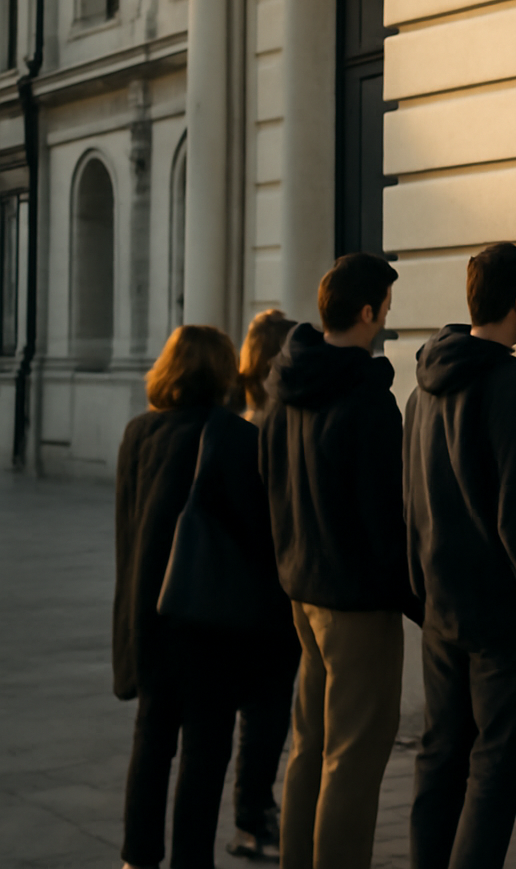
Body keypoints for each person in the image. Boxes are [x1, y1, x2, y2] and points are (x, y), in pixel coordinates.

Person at [259, 253, 421, 869]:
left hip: (303, 590)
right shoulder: (366, 399)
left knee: (311, 745)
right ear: (367, 311)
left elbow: (269, 487)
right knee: (353, 755)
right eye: (384, 306)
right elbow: (387, 517)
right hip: (356, 601)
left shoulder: (285, 388)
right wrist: (415, 601)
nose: (386, 317)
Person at [404, 244, 516, 869]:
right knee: (496, 766)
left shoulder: (422, 386)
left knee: (440, 756)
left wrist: (419, 588)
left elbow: (410, 497)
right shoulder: (512, 382)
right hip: (498, 617)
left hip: (439, 608)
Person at [114, 326, 279, 869]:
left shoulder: (138, 433)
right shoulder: (236, 437)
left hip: (151, 617)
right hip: (212, 621)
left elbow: (127, 535)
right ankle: (190, 860)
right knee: (205, 753)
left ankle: (138, 858)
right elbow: (259, 540)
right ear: (222, 371)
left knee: (151, 745)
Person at [226, 307, 300, 861]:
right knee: (266, 709)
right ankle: (253, 813)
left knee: (259, 710)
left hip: (242, 587)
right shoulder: (273, 429)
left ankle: (254, 810)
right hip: (271, 589)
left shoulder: (237, 421)